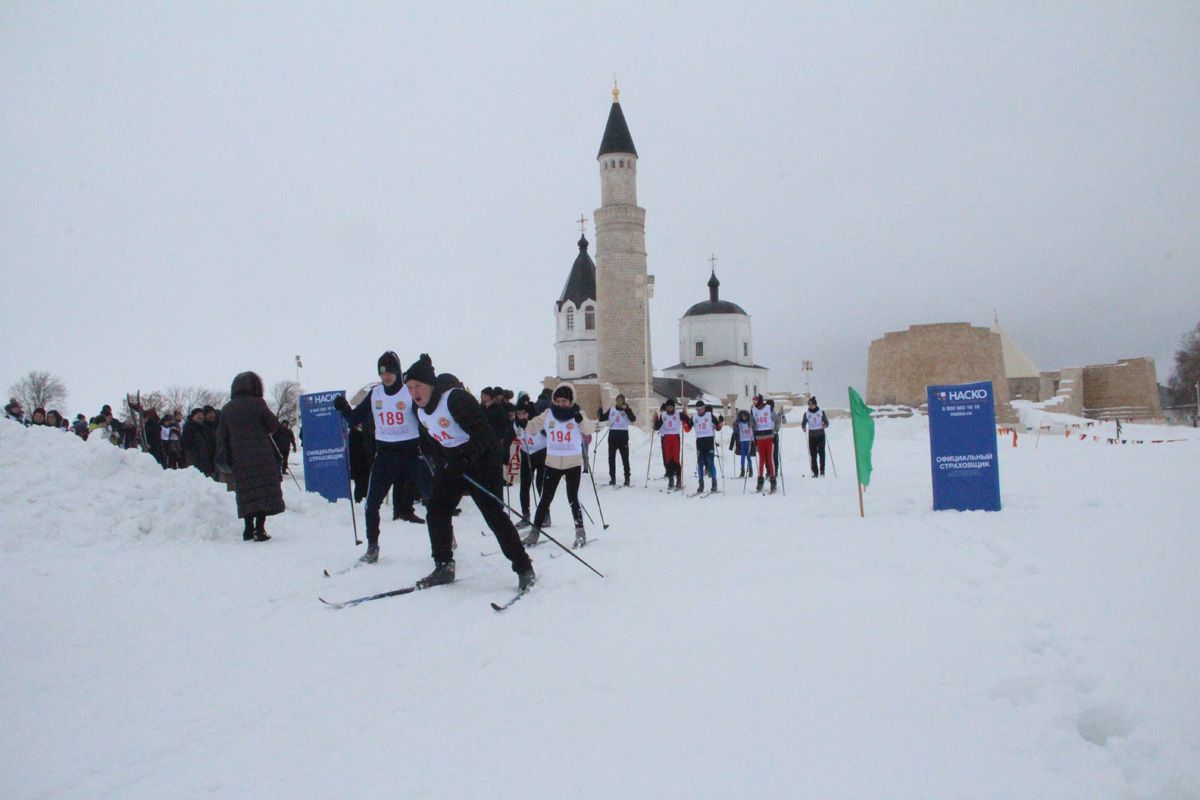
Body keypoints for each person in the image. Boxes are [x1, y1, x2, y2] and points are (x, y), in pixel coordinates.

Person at [404, 353, 534, 591]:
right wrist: (442, 459)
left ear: (430, 384)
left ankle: (524, 567)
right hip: (454, 462)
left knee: (494, 516)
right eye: (410, 387)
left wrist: (464, 458)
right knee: (436, 510)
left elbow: (485, 435)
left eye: (417, 386)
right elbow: (433, 439)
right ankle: (444, 565)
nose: (414, 392)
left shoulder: (455, 399)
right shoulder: (419, 409)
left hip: (483, 461)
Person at [333, 351, 433, 564]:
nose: (386, 376)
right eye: (382, 372)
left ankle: (445, 540)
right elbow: (355, 418)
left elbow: (427, 417)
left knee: (433, 499)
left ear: (397, 371)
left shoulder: (408, 392)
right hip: (386, 455)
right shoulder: (376, 394)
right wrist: (344, 409)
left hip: (411, 453)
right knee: (372, 503)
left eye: (389, 371)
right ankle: (372, 547)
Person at [215, 371, 285, 542]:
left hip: (239, 457)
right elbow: (273, 425)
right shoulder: (258, 404)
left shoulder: (227, 409)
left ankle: (248, 528)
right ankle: (260, 529)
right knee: (262, 490)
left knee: (246, 491)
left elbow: (221, 436)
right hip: (262, 455)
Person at [522, 384, 593, 548]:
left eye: (565, 401)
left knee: (572, 498)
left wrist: (581, 422)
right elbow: (532, 428)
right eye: (558, 400)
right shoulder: (548, 414)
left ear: (571, 400)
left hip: (573, 463)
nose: (561, 404)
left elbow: (588, 430)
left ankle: (580, 531)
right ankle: (535, 532)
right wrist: (523, 420)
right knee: (545, 499)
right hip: (552, 463)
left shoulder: (577, 413)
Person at [513, 402, 547, 529]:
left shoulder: (537, 422)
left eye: (524, 413)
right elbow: (512, 437)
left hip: (541, 453)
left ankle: (545, 515)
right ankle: (525, 516)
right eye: (519, 413)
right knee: (524, 486)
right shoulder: (516, 424)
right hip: (527, 453)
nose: (521, 416)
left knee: (540, 485)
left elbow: (547, 434)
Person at [597, 393, 636, 486]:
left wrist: (627, 409)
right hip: (613, 435)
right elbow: (602, 418)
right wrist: (599, 411)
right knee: (611, 458)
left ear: (624, 401)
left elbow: (633, 419)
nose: (619, 402)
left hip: (623, 435)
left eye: (621, 400)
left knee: (625, 458)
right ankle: (612, 478)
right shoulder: (612, 410)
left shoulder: (627, 410)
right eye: (617, 400)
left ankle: (627, 478)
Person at [686, 400, 723, 493]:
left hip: (709, 442)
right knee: (700, 464)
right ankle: (701, 484)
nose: (699, 411)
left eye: (701, 409)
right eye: (697, 409)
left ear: (704, 408)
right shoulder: (694, 417)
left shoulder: (709, 415)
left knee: (711, 463)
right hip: (700, 443)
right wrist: (683, 420)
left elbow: (718, 427)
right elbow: (687, 428)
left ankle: (714, 484)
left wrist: (721, 422)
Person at [653, 398, 686, 490]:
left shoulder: (678, 414)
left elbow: (687, 421)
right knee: (668, 460)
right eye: (668, 407)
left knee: (676, 459)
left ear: (674, 407)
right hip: (667, 438)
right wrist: (655, 419)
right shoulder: (663, 415)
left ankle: (679, 479)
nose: (670, 409)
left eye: (671, 407)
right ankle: (671, 479)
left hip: (675, 437)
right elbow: (656, 427)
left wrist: (684, 414)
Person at [750, 394, 779, 493]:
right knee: (761, 460)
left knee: (769, 459)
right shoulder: (753, 409)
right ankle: (760, 480)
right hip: (759, 437)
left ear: (760, 401)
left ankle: (773, 480)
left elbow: (776, 420)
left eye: (755, 401)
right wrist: (751, 425)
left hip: (769, 436)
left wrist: (776, 429)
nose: (754, 403)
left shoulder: (768, 408)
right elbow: (752, 421)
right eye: (753, 401)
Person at [182, 407, 216, 477]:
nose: (200, 417)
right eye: (198, 415)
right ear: (193, 416)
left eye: (202, 415)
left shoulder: (204, 428)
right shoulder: (189, 427)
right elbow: (186, 445)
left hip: (206, 460)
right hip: (195, 462)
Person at [801, 396, 829, 477]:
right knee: (813, 455)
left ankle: (822, 470)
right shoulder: (806, 414)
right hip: (812, 435)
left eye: (812, 404)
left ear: (815, 404)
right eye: (809, 404)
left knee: (821, 453)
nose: (810, 405)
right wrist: (803, 427)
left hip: (820, 435)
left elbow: (827, 422)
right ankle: (815, 472)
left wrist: (825, 425)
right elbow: (803, 423)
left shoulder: (821, 412)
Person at [729, 409, 755, 477]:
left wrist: (752, 441)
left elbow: (752, 432)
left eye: (745, 416)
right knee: (742, 456)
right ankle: (742, 470)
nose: (744, 417)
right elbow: (735, 428)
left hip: (748, 441)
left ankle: (750, 470)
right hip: (742, 441)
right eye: (742, 416)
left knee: (748, 456)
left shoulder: (749, 423)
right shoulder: (739, 424)